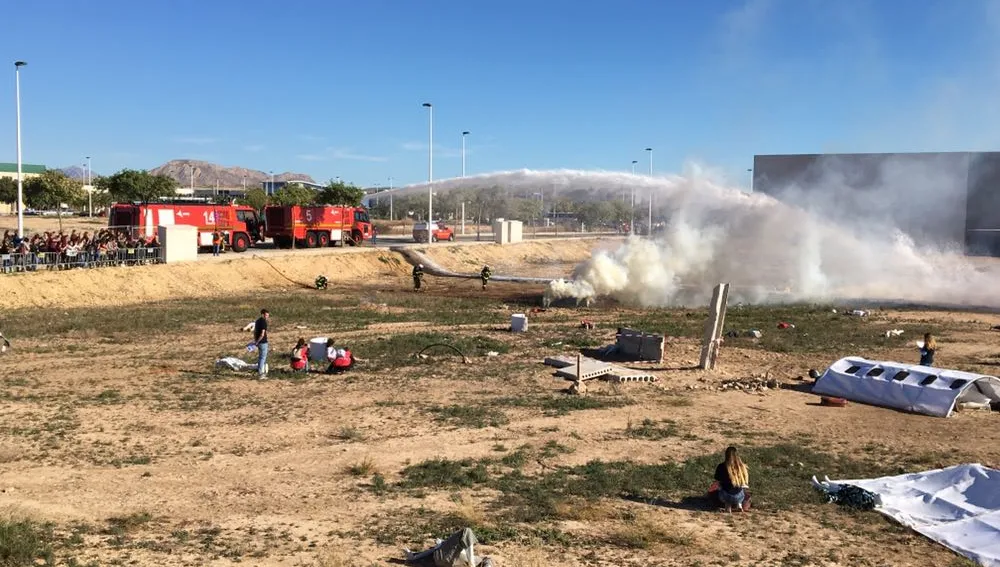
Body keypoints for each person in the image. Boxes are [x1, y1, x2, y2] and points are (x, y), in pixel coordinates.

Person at [714, 446, 750, 513]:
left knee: (717, 491)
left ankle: (728, 506)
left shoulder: (721, 466)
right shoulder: (742, 467)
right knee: (744, 492)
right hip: (739, 496)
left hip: (725, 496)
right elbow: (744, 483)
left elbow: (717, 481)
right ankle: (739, 505)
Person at [253, 309, 270, 379]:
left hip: (259, 342)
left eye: (268, 315)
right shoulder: (263, 322)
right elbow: (262, 334)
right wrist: (257, 341)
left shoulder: (257, 321)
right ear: (263, 314)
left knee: (260, 357)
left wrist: (256, 341)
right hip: (263, 342)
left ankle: (261, 371)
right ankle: (260, 373)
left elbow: (255, 332)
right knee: (263, 358)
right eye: (266, 315)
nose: (267, 317)